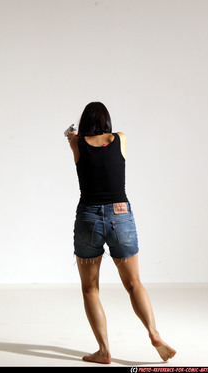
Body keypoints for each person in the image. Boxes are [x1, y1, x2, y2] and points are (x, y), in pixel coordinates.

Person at [66, 102, 176, 364]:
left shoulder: (77, 143)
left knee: (90, 288)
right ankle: (154, 334)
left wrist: (72, 136)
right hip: (120, 214)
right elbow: (110, 146)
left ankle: (104, 351)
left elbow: (77, 141)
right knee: (134, 283)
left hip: (88, 217)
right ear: (106, 121)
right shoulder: (121, 139)